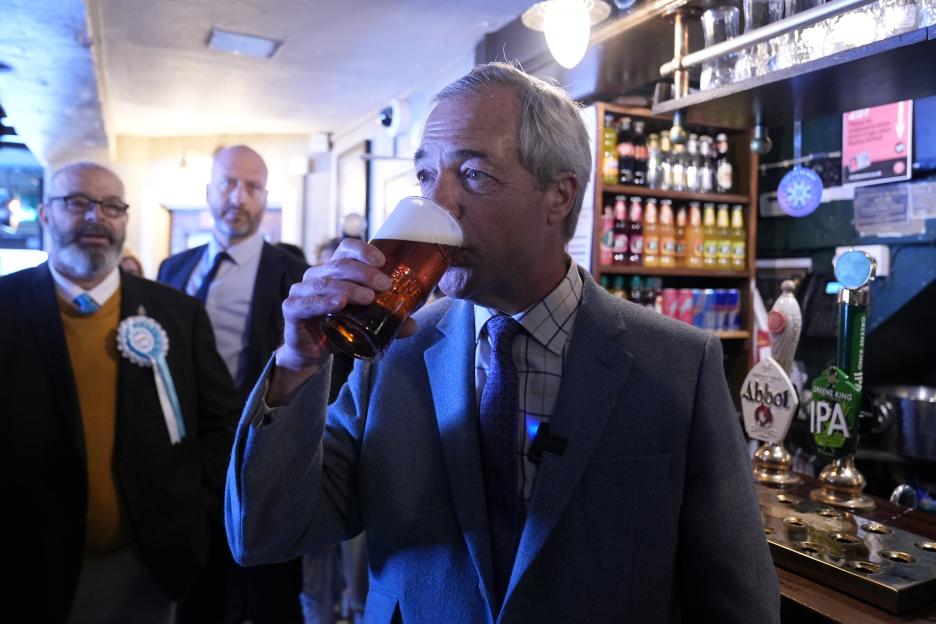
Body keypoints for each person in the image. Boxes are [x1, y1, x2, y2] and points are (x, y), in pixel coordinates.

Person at [225, 63, 780, 622]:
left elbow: (740, 603)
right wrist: (296, 364)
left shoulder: (680, 364)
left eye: (472, 174)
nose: (437, 202)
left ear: (558, 195)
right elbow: (264, 533)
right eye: (425, 175)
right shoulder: (397, 352)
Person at [0, 162, 240, 623]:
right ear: (46, 215)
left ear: (124, 219)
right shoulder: (6, 306)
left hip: (149, 566)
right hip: (24, 567)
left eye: (112, 206)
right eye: (77, 202)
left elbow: (221, 426)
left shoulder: (178, 314)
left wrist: (194, 508)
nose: (96, 217)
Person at [158, 145, 308, 623]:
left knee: (270, 599)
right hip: (188, 465)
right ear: (209, 191)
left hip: (259, 460)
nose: (238, 197)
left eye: (252, 187)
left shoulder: (293, 274)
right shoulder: (173, 269)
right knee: (196, 597)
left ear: (265, 197)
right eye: (228, 183)